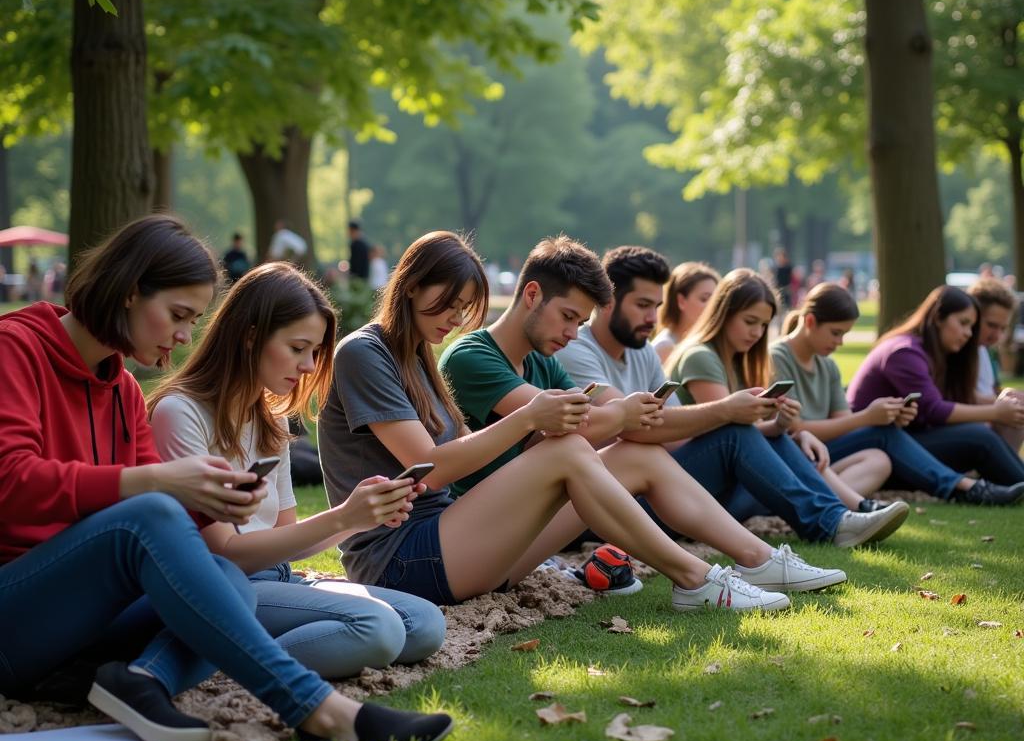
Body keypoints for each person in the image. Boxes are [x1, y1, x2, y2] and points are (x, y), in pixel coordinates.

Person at [0, 215, 452, 741]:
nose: (185, 335)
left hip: (86, 626)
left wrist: (211, 497)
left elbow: (181, 541)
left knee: (226, 577)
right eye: (177, 315)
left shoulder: (120, 390)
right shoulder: (15, 347)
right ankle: (322, 713)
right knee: (164, 521)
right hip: (18, 615)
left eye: (192, 319)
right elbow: (12, 480)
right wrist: (161, 482)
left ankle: (131, 680)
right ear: (127, 293)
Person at [319, 231, 796, 616]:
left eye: (464, 308)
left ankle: (758, 561)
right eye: (447, 304)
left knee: (622, 454)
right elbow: (431, 466)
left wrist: (539, 444)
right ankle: (696, 578)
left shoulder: (419, 357)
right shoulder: (366, 352)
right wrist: (532, 421)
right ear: (410, 285)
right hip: (399, 560)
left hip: (451, 543)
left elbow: (465, 453)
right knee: (569, 451)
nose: (456, 319)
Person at [149, 262, 446, 679]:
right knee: (377, 628)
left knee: (425, 623)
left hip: (281, 580)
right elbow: (225, 552)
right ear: (250, 336)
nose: (309, 366)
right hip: (227, 588)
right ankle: (230, 658)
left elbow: (283, 537)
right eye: (297, 348)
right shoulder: (179, 414)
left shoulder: (269, 419)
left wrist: (360, 518)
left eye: (315, 352)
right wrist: (343, 516)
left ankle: (237, 648)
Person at [557, 247, 906, 549]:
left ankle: (836, 517)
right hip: (605, 507)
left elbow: (677, 437)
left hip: (659, 489)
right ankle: (833, 521)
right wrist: (726, 411)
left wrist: (772, 426)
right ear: (607, 302)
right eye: (643, 305)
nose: (653, 318)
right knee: (735, 431)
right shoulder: (577, 349)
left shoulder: (643, 352)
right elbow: (637, 427)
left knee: (758, 434)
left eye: (657, 306)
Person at [666, 268, 910, 529]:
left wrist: (783, 426)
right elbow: (729, 430)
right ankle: (837, 518)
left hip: (719, 483)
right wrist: (783, 431)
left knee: (792, 440)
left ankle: (840, 514)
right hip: (688, 486)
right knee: (760, 438)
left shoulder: (739, 361)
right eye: (750, 322)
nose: (758, 333)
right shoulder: (700, 356)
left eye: (763, 325)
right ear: (724, 313)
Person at [773, 283, 1024, 506]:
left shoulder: (827, 365)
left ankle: (969, 487)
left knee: (880, 454)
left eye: (844, 334)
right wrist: (868, 419)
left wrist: (889, 417)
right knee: (976, 437)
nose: (840, 343)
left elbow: (844, 421)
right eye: (836, 333)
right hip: (798, 451)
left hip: (834, 450)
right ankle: (965, 488)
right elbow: (795, 429)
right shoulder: (779, 357)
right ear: (810, 322)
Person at [848, 285, 1024, 485]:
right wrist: (995, 412)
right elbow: (933, 409)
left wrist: (1004, 403)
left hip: (905, 437)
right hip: (875, 445)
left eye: (971, 327)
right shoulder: (904, 352)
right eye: (963, 323)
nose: (968, 334)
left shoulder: (934, 352)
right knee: (980, 437)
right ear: (938, 317)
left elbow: (950, 398)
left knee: (985, 432)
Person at [968, 277, 1024, 452]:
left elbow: (991, 390)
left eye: (1003, 328)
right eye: (991, 325)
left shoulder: (985, 351)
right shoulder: (957, 350)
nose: (997, 336)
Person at [651, 262, 720, 363]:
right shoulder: (665, 347)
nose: (711, 306)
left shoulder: (707, 345)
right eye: (704, 299)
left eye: (715, 300)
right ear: (681, 301)